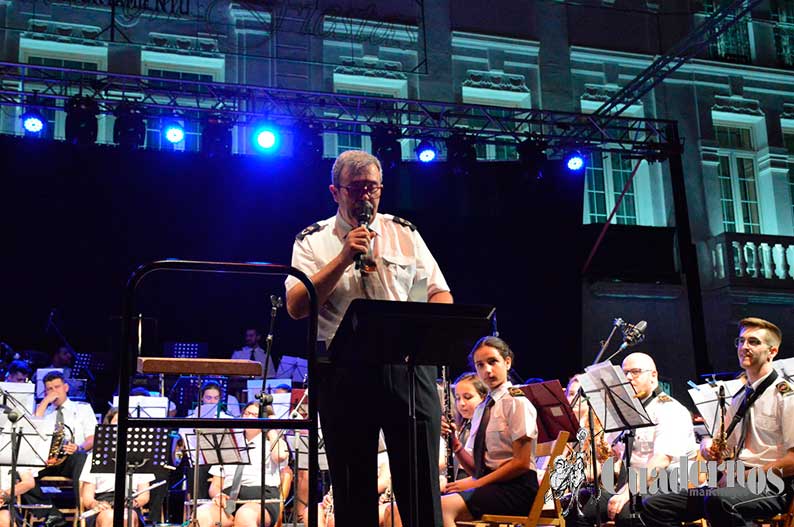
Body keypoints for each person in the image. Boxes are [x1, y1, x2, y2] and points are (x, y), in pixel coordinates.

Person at [285, 149, 453, 527]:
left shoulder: (404, 232)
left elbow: (439, 293)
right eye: (356, 188)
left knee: (420, 485)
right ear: (335, 191)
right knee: (352, 485)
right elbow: (296, 305)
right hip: (344, 371)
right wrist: (344, 256)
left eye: (373, 188)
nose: (366, 197)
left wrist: (429, 332)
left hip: (407, 368)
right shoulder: (312, 240)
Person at [642, 317, 794, 527]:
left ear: (773, 352)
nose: (744, 347)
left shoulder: (786, 395)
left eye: (754, 342)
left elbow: (793, 461)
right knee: (655, 504)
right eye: (741, 341)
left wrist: (745, 476)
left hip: (774, 484)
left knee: (718, 501)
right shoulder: (740, 397)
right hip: (736, 480)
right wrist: (707, 446)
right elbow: (722, 446)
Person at [573, 353, 697, 527]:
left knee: (627, 512)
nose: (629, 377)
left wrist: (627, 492)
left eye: (636, 372)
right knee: (577, 502)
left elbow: (661, 461)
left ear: (653, 375)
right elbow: (610, 456)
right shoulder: (625, 411)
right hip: (630, 484)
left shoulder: (670, 409)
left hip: (667, 484)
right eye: (625, 373)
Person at [440, 336, 538, 527]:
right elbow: (477, 468)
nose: (487, 370)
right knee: (427, 505)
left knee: (443, 508)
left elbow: (521, 463)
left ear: (507, 362)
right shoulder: (481, 409)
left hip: (517, 489)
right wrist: (455, 443)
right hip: (491, 487)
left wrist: (477, 483)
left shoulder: (517, 401)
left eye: (493, 362)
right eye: (480, 365)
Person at [195, 402, 289, 527]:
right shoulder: (228, 442)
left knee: (245, 516)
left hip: (261, 499)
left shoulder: (272, 443)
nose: (249, 418)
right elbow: (215, 484)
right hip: (229, 499)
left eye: (255, 415)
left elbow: (280, 456)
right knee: (201, 515)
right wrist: (218, 494)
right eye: (247, 413)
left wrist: (271, 428)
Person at [31, 371, 97, 526]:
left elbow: (93, 437)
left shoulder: (82, 409)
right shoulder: (43, 412)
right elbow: (32, 429)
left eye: (57, 387)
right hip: (46, 460)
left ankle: (82, 512)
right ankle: (53, 515)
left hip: (71, 458)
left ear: (66, 387)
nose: (54, 391)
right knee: (17, 472)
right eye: (49, 389)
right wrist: (45, 402)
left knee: (82, 458)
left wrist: (79, 447)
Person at [79, 408, 155, 527]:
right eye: (116, 423)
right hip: (103, 503)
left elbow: (144, 495)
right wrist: (96, 504)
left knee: (127, 516)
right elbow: (87, 497)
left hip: (130, 503)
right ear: (108, 427)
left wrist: (134, 503)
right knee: (110, 517)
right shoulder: (94, 456)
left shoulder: (141, 457)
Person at [441, 373, 487, 481]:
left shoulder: (486, 426)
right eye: (457, 398)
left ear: (484, 397)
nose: (461, 403)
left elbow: (483, 471)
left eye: (467, 397)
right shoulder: (464, 425)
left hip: (474, 482)